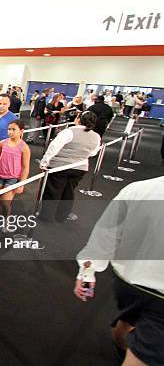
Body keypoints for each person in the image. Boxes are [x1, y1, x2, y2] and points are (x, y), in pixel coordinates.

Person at [74, 176, 164, 366]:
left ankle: (122, 348)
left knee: (129, 319)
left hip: (126, 283)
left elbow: (105, 234)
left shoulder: (137, 188)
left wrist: (87, 272)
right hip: (160, 296)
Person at [39, 111, 101, 222]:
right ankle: (62, 216)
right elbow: (93, 153)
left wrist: (44, 162)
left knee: (53, 191)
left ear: (79, 119)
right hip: (80, 168)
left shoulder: (69, 132)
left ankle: (47, 216)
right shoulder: (96, 136)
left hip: (60, 167)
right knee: (69, 191)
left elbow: (54, 147)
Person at [0, 120, 30, 232]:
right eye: (9, 129)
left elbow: (25, 167)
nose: (10, 132)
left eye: (14, 129)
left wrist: (21, 184)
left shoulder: (24, 147)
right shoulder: (2, 143)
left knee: (6, 202)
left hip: (12, 178)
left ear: (21, 131)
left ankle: (6, 221)